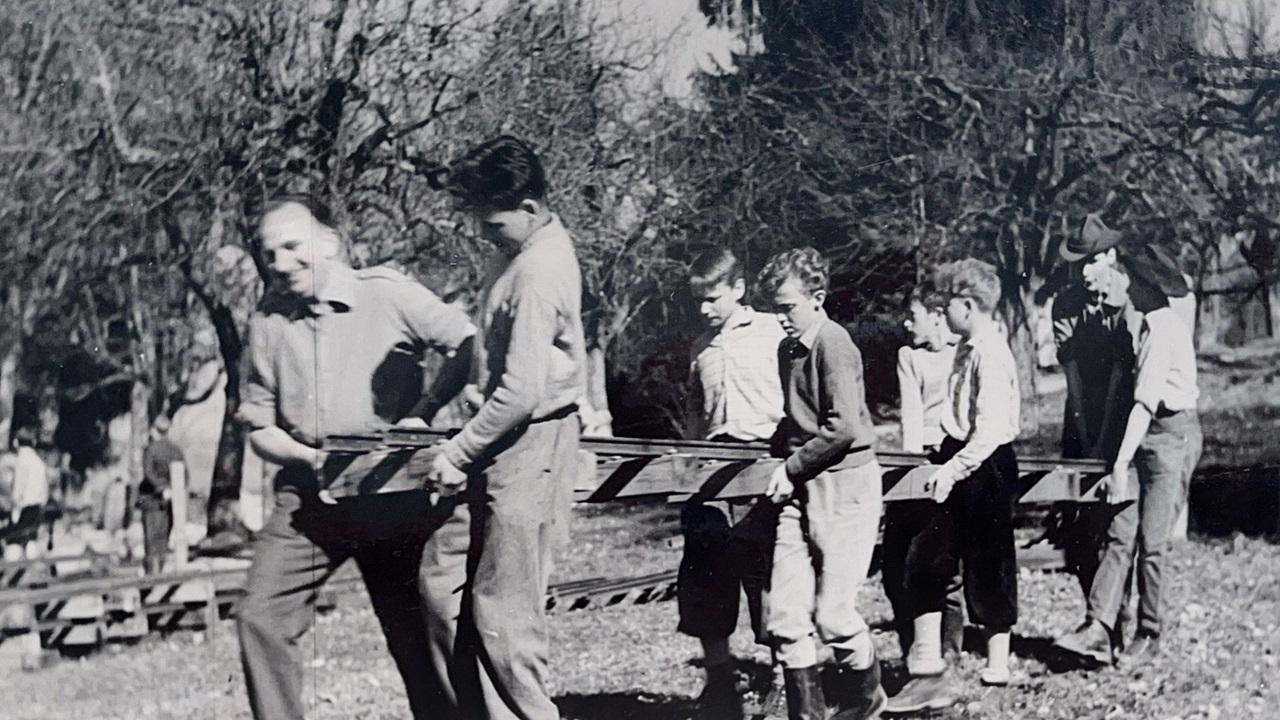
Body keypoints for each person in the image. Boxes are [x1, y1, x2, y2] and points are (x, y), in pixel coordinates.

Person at [234, 195, 476, 720]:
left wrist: (428, 409)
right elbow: (258, 424)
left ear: (330, 241)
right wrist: (306, 456)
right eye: (269, 253)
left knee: (419, 636)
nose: (280, 263)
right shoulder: (268, 321)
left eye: (292, 246)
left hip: (395, 492)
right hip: (311, 496)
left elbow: (467, 342)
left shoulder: (385, 293)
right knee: (259, 616)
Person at [421, 135, 588, 720]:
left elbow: (521, 393)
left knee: (504, 615)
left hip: (528, 441)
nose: (484, 236)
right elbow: (488, 350)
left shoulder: (541, 270)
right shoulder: (512, 254)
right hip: (492, 438)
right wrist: (437, 399)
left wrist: (458, 452)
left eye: (493, 225)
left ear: (531, 209)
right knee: (442, 587)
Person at [1053, 242, 1203, 669]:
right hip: (1141, 437)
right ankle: (1098, 625)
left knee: (1152, 543)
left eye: (1128, 279)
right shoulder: (1141, 325)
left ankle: (1149, 634)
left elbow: (1143, 404)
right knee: (1121, 532)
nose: (1123, 286)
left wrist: (1118, 463)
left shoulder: (1162, 330)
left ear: (1143, 285)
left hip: (1171, 437)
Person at [755, 246, 886, 720]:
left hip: (846, 485)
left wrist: (790, 468)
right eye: (775, 310)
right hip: (801, 487)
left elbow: (843, 426)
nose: (781, 319)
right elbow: (797, 423)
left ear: (817, 297)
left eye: (787, 307)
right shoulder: (786, 348)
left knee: (833, 616)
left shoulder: (834, 343)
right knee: (787, 618)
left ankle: (865, 701)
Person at [886, 259, 1021, 714]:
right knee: (927, 553)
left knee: (989, 562)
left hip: (986, 465)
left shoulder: (992, 353)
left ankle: (997, 668)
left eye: (948, 307)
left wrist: (952, 469)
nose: (942, 315)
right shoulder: (965, 347)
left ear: (968, 305)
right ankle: (928, 667)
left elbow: (988, 431)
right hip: (955, 457)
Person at [680, 247, 786, 719]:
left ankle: (784, 676)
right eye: (698, 300)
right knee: (705, 571)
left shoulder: (773, 331)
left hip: (765, 461)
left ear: (739, 289)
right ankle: (719, 681)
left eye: (713, 298)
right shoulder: (699, 348)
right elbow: (692, 417)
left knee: (767, 575)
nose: (705, 309)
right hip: (710, 470)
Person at [882, 281, 965, 667]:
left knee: (944, 556)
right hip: (922, 460)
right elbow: (911, 417)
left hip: (959, 458)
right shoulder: (909, 357)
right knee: (897, 558)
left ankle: (949, 643)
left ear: (936, 316)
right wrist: (914, 472)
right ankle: (910, 641)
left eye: (913, 316)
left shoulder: (965, 350)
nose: (906, 323)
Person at [139, 415, 184, 574]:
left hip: (152, 501)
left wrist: (161, 488)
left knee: (151, 541)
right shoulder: (176, 450)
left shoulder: (151, 449)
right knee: (163, 539)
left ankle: (153, 576)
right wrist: (173, 491)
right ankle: (161, 571)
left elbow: (148, 473)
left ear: (154, 430)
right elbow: (184, 475)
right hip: (171, 502)